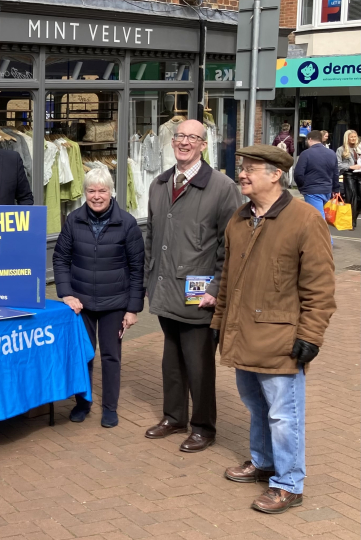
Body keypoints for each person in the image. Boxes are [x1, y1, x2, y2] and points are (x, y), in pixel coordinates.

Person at [212, 145, 336, 514]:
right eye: (243, 168)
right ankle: (264, 463)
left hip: (281, 339)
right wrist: (219, 323)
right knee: (255, 405)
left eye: (251, 169)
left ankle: (289, 483)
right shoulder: (239, 218)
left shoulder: (305, 219)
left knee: (284, 414)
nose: (243, 174)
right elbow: (227, 281)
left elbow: (320, 287)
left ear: (275, 174)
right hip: (242, 332)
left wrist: (310, 336)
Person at [143, 119, 241, 453]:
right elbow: (152, 238)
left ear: (203, 144)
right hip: (165, 289)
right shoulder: (160, 184)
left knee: (199, 364)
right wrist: (148, 279)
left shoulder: (222, 187)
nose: (184, 142)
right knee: (171, 359)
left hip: (198, 294)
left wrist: (215, 287)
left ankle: (203, 426)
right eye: (180, 136)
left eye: (192, 138)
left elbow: (231, 246)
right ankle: (174, 417)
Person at [53, 168, 144, 428]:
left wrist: (133, 308)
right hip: (81, 304)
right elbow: (60, 258)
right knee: (84, 354)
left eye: (102, 190)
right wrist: (66, 293)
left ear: (111, 192)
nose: (96, 196)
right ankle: (83, 402)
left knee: (110, 357)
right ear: (85, 193)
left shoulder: (127, 223)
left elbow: (138, 269)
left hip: (114, 304)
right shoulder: (73, 220)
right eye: (91, 191)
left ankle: (109, 408)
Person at [293, 130, 340, 230]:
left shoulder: (306, 153)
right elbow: (336, 173)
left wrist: (302, 187)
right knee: (315, 217)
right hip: (327, 190)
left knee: (317, 220)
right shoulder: (331, 153)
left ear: (309, 139)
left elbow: (298, 174)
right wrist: (335, 189)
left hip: (312, 190)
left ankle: (326, 243)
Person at [336, 130, 361, 229]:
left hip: (359, 175)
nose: (354, 138)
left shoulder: (359, 148)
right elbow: (338, 164)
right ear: (347, 138)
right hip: (349, 175)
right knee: (352, 198)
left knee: (359, 199)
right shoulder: (341, 149)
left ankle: (353, 217)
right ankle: (351, 221)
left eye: (355, 137)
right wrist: (351, 167)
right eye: (352, 137)